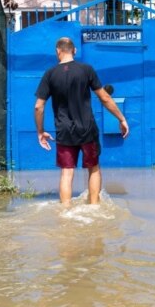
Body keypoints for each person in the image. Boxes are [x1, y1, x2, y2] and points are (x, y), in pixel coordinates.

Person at [34, 37, 129, 205]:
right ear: (74, 51)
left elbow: (38, 107)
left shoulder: (50, 74)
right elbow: (104, 98)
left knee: (67, 172)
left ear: (58, 51)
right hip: (87, 129)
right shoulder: (86, 70)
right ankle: (94, 208)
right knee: (93, 168)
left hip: (64, 130)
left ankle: (65, 212)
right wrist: (121, 119)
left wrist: (40, 132)